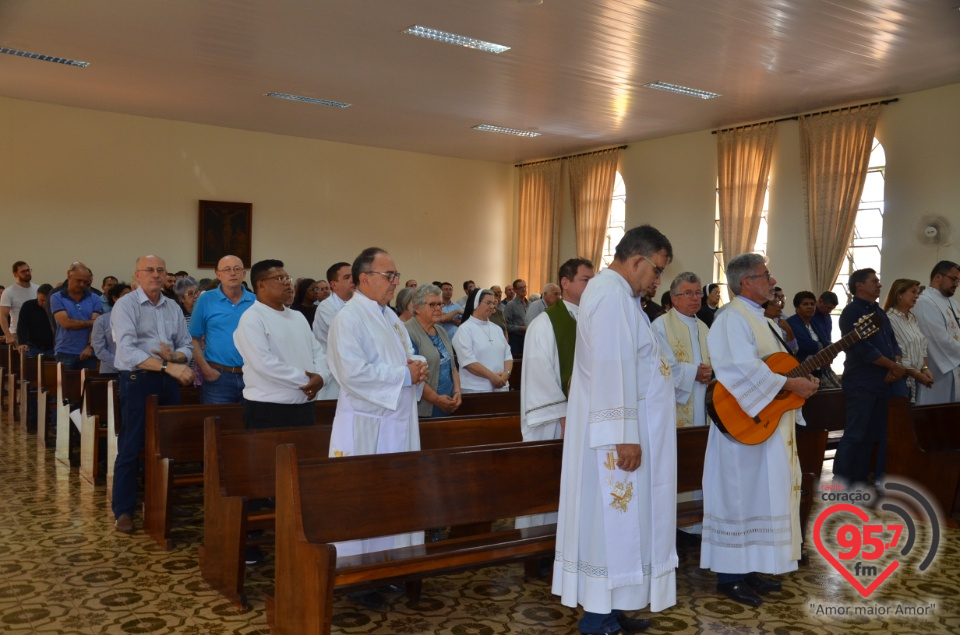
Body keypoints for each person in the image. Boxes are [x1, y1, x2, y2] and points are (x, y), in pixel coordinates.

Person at [553, 225, 677, 635]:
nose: (657, 280)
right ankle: (597, 617)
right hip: (614, 439)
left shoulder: (620, 297)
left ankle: (614, 606)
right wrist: (625, 436)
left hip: (628, 429)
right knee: (611, 523)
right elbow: (610, 368)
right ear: (637, 260)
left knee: (626, 524)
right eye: (656, 270)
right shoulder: (609, 297)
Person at [702, 254, 819, 607]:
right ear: (745, 283)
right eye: (765, 275)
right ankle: (729, 576)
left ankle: (751, 567)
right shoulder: (730, 319)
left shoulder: (761, 319)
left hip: (768, 424)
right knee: (739, 498)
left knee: (761, 498)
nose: (772, 280)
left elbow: (773, 365)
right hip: (742, 428)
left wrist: (800, 381)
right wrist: (790, 384)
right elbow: (740, 369)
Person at [326, 248, 427, 608]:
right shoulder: (349, 318)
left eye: (397, 275)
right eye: (390, 276)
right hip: (366, 426)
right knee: (364, 498)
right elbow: (352, 374)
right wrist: (404, 374)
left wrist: (416, 367)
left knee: (395, 494)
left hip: (397, 423)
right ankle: (357, 577)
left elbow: (405, 355)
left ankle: (391, 564)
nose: (395, 282)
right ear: (363, 278)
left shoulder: (389, 317)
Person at [111, 255, 195, 534]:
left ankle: (162, 500)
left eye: (161, 270)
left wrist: (177, 356)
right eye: (149, 270)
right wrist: (167, 364)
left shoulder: (171, 306)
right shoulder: (126, 305)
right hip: (138, 380)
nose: (156, 274)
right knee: (132, 446)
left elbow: (186, 345)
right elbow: (127, 351)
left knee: (166, 445)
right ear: (137, 275)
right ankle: (123, 509)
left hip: (167, 379)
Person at [518, 258, 593, 530]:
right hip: (556, 422)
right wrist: (563, 415)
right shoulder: (545, 324)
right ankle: (538, 543)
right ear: (565, 282)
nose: (591, 285)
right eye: (585, 279)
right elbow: (538, 375)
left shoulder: (593, 320)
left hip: (588, 420)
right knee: (548, 484)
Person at [233, 260, 329, 428]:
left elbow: (317, 351)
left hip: (305, 405)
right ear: (261, 285)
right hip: (269, 408)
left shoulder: (297, 316)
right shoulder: (252, 318)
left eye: (287, 278)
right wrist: (308, 380)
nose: (287, 283)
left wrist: (322, 376)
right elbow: (264, 364)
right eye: (278, 278)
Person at [835, 268, 903, 487]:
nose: (879, 285)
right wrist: (892, 365)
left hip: (882, 381)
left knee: (870, 435)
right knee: (855, 434)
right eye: (874, 281)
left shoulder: (878, 311)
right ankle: (841, 482)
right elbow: (861, 348)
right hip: (861, 381)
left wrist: (896, 363)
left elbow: (892, 341)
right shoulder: (851, 312)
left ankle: (860, 479)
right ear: (859, 285)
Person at [189, 255, 256, 404]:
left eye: (237, 269)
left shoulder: (255, 301)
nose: (232, 273)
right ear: (218, 274)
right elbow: (194, 338)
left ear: (244, 274)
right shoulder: (205, 300)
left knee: (251, 424)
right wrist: (205, 369)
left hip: (251, 375)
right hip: (218, 376)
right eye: (227, 269)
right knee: (217, 423)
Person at [651, 272, 712, 429]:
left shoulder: (703, 327)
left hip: (706, 401)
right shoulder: (660, 326)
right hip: (676, 409)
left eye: (698, 293)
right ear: (674, 298)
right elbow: (661, 368)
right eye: (688, 293)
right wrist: (694, 373)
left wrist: (711, 372)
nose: (695, 298)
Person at [404, 284, 462, 417]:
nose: (438, 309)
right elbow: (415, 375)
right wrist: (437, 400)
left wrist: (457, 392)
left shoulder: (441, 330)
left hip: (448, 401)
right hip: (426, 407)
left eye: (440, 304)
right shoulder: (408, 332)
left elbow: (452, 365)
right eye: (432, 305)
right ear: (417, 307)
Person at [913, 260, 960, 405]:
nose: (957, 284)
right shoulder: (924, 302)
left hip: (955, 366)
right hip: (938, 371)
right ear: (938, 277)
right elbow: (937, 338)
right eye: (954, 279)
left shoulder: (953, 303)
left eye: (958, 280)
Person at [453, 288, 513, 393]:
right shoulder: (464, 329)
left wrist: (506, 374)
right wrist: (493, 377)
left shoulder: (497, 328)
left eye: (494, 303)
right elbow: (468, 362)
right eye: (488, 302)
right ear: (476, 304)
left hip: (501, 386)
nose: (492, 306)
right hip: (475, 388)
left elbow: (507, 355)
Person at [884, 279, 934, 404]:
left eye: (917, 292)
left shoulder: (912, 318)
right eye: (913, 292)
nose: (917, 296)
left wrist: (925, 367)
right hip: (899, 378)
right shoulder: (889, 318)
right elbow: (896, 352)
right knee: (899, 419)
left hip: (914, 377)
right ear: (899, 293)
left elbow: (921, 346)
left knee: (910, 418)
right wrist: (917, 374)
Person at [312, 261, 355, 399]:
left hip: (354, 368)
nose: (353, 280)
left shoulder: (359, 304)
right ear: (334, 284)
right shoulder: (327, 307)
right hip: (333, 369)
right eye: (347, 277)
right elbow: (347, 335)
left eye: (353, 276)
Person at [50, 262, 101, 371]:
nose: (82, 284)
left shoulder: (95, 298)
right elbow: (66, 323)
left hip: (89, 352)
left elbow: (96, 326)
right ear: (69, 275)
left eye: (85, 282)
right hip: (65, 351)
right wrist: (91, 322)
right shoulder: (56, 297)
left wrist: (89, 346)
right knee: (65, 387)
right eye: (78, 280)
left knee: (87, 387)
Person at [91, 283, 132, 376]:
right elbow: (99, 349)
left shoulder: (137, 319)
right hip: (110, 370)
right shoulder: (102, 320)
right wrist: (120, 364)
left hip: (134, 370)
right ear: (115, 298)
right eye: (126, 295)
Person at [1, 261, 39, 345]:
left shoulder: (37, 289)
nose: (27, 273)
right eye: (23, 271)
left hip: (37, 332)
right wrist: (8, 335)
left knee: (38, 357)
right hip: (17, 333)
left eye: (28, 270)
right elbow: (3, 315)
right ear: (15, 274)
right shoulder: (8, 292)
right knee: (21, 358)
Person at [16, 283, 55, 358]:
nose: (44, 303)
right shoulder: (28, 306)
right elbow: (22, 325)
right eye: (42, 300)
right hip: (32, 347)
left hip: (52, 348)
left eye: (47, 301)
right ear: (37, 296)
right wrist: (22, 343)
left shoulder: (56, 307)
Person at [503, 279, 529, 357]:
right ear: (515, 290)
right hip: (516, 340)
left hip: (528, 339)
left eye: (525, 287)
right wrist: (521, 328)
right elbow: (506, 326)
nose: (524, 289)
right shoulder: (510, 305)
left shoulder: (529, 304)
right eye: (521, 288)